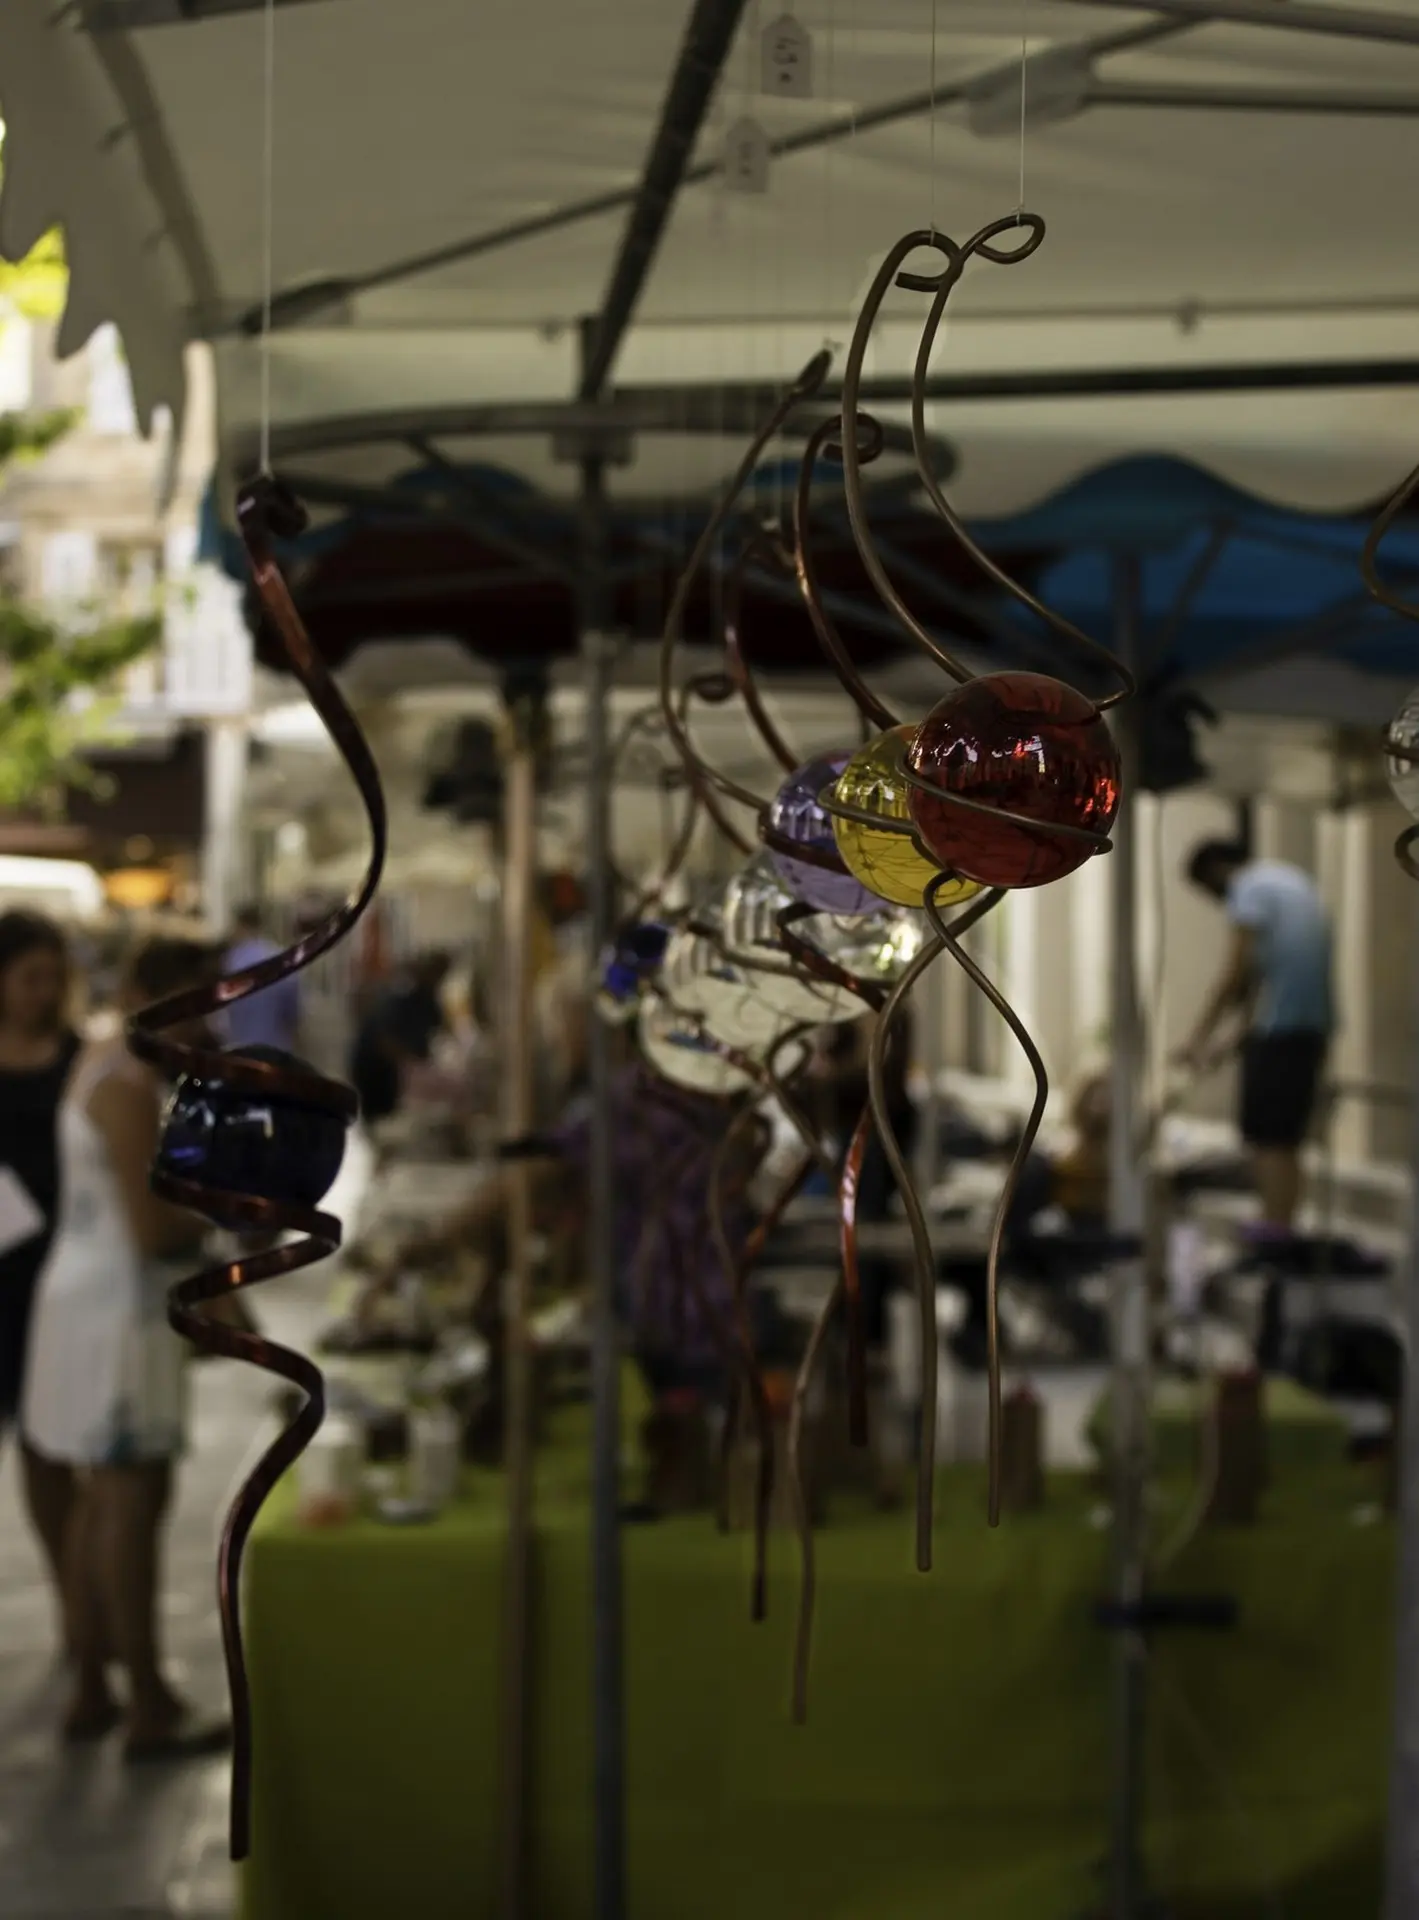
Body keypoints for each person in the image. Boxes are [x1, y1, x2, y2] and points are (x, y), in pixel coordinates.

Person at [21, 938, 230, 1757]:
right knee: (131, 1506)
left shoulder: (103, 1060)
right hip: (118, 1311)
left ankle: (94, 1686)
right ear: (149, 992)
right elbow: (150, 1230)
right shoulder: (130, 1084)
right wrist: (220, 1211)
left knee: (99, 1502)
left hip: (84, 1300)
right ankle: (146, 1698)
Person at [1178, 841, 1334, 1235]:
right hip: (1311, 1027)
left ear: (1215, 870)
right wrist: (1225, 1046)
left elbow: (1235, 976)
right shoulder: (1291, 881)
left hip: (1282, 1030)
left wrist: (1196, 1039)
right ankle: (1282, 1223)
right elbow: (1269, 981)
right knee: (1286, 1135)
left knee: (1267, 1137)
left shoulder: (1249, 889)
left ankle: (1273, 1227)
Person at [0, 912, 82, 1658]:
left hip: (71, 1268)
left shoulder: (80, 1057)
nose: (44, 994)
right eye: (31, 979)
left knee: (72, 1441)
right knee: (34, 1445)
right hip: (5, 1276)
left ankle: (83, 1612)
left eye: (54, 979)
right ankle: (73, 1603)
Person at [348, 949, 452, 1128]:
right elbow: (385, 1040)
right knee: (380, 1118)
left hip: (392, 1068)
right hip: (375, 1068)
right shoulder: (402, 992)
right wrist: (413, 1066)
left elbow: (437, 1028)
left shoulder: (428, 997)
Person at [222, 903, 300, 1054]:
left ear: (241, 926)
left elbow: (222, 1017)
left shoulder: (232, 962)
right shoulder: (280, 958)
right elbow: (293, 1015)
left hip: (239, 1053)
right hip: (276, 1052)